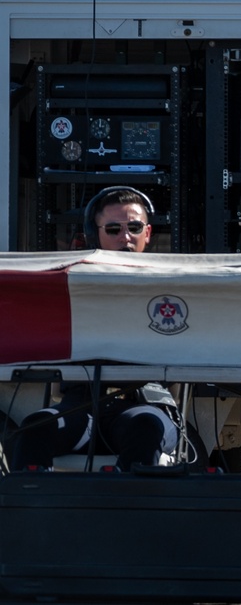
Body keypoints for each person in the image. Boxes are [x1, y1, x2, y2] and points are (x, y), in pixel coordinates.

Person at [10, 186, 180, 472]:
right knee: (34, 429)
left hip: (145, 406)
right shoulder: (70, 286)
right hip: (80, 407)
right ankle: (31, 516)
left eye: (134, 227)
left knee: (145, 427)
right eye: (113, 229)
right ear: (95, 234)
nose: (125, 237)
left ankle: (126, 515)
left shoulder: (178, 288)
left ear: (148, 233)